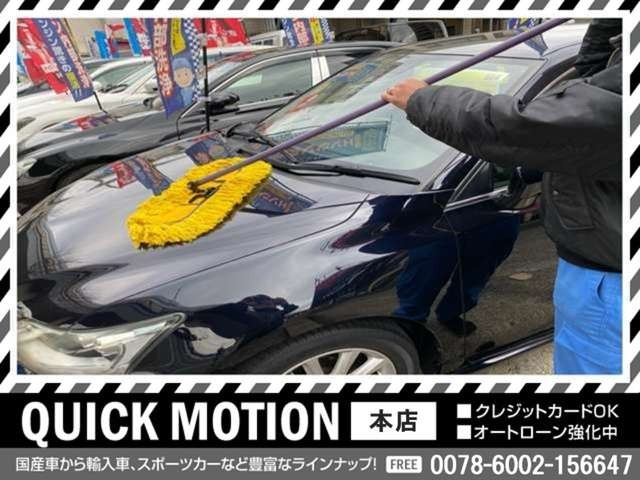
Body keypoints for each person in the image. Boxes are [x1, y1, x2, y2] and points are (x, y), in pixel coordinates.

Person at [381, 19, 622, 374]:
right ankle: (414, 318)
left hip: (608, 279)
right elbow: (589, 86)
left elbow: (532, 128)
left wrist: (422, 100)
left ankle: (452, 313)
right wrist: (609, 25)